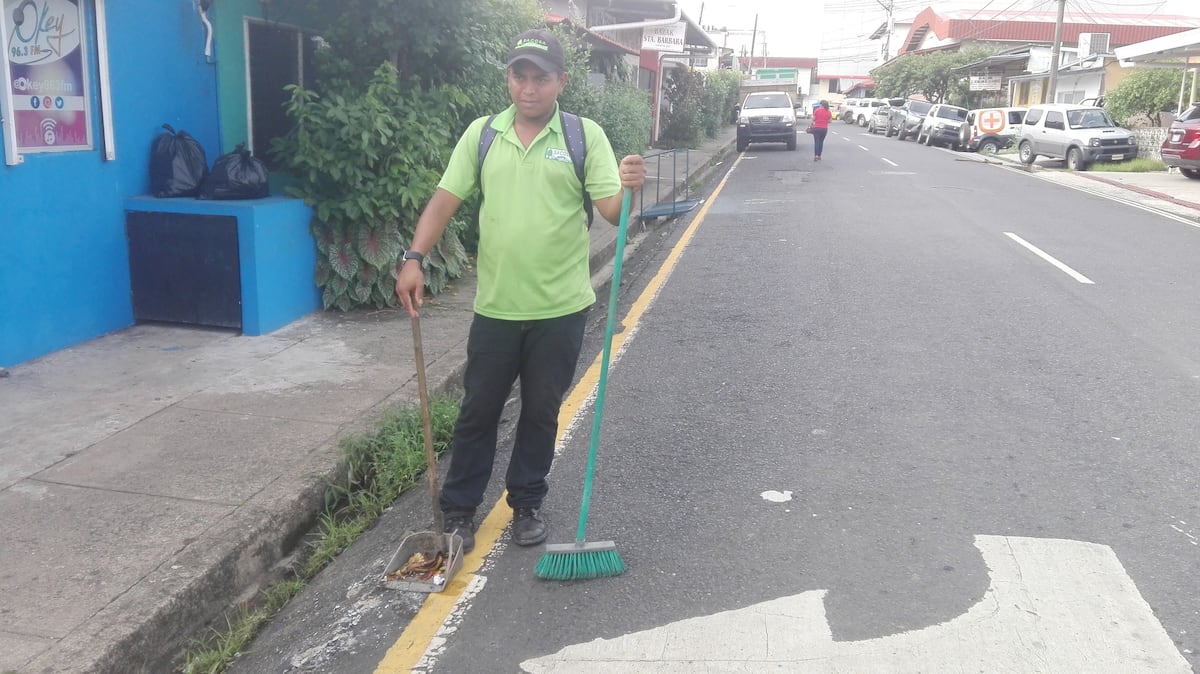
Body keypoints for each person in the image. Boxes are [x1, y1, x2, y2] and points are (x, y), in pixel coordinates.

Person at [395, 29, 646, 553]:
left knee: (540, 411)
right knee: (477, 411)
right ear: (508, 77)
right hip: (497, 308)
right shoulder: (483, 135)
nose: (529, 88)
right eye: (520, 76)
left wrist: (628, 188)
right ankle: (460, 511)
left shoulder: (583, 136)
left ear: (562, 81)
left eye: (541, 78)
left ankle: (526, 502)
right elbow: (445, 199)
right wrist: (413, 258)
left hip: (561, 309)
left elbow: (611, 215)